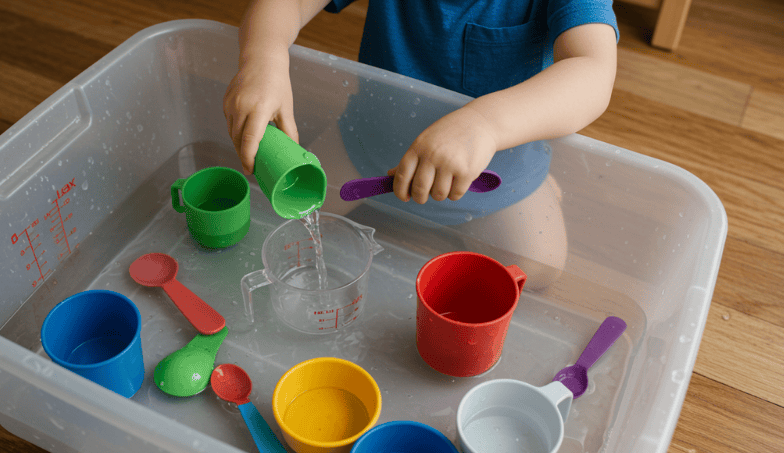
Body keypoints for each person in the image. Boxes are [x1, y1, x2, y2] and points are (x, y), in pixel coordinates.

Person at [223, 0, 619, 289]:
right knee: (274, 219)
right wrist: (263, 57)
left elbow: (593, 70)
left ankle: (537, 183)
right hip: (370, 145)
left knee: (542, 268)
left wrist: (485, 123)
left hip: (496, 170)